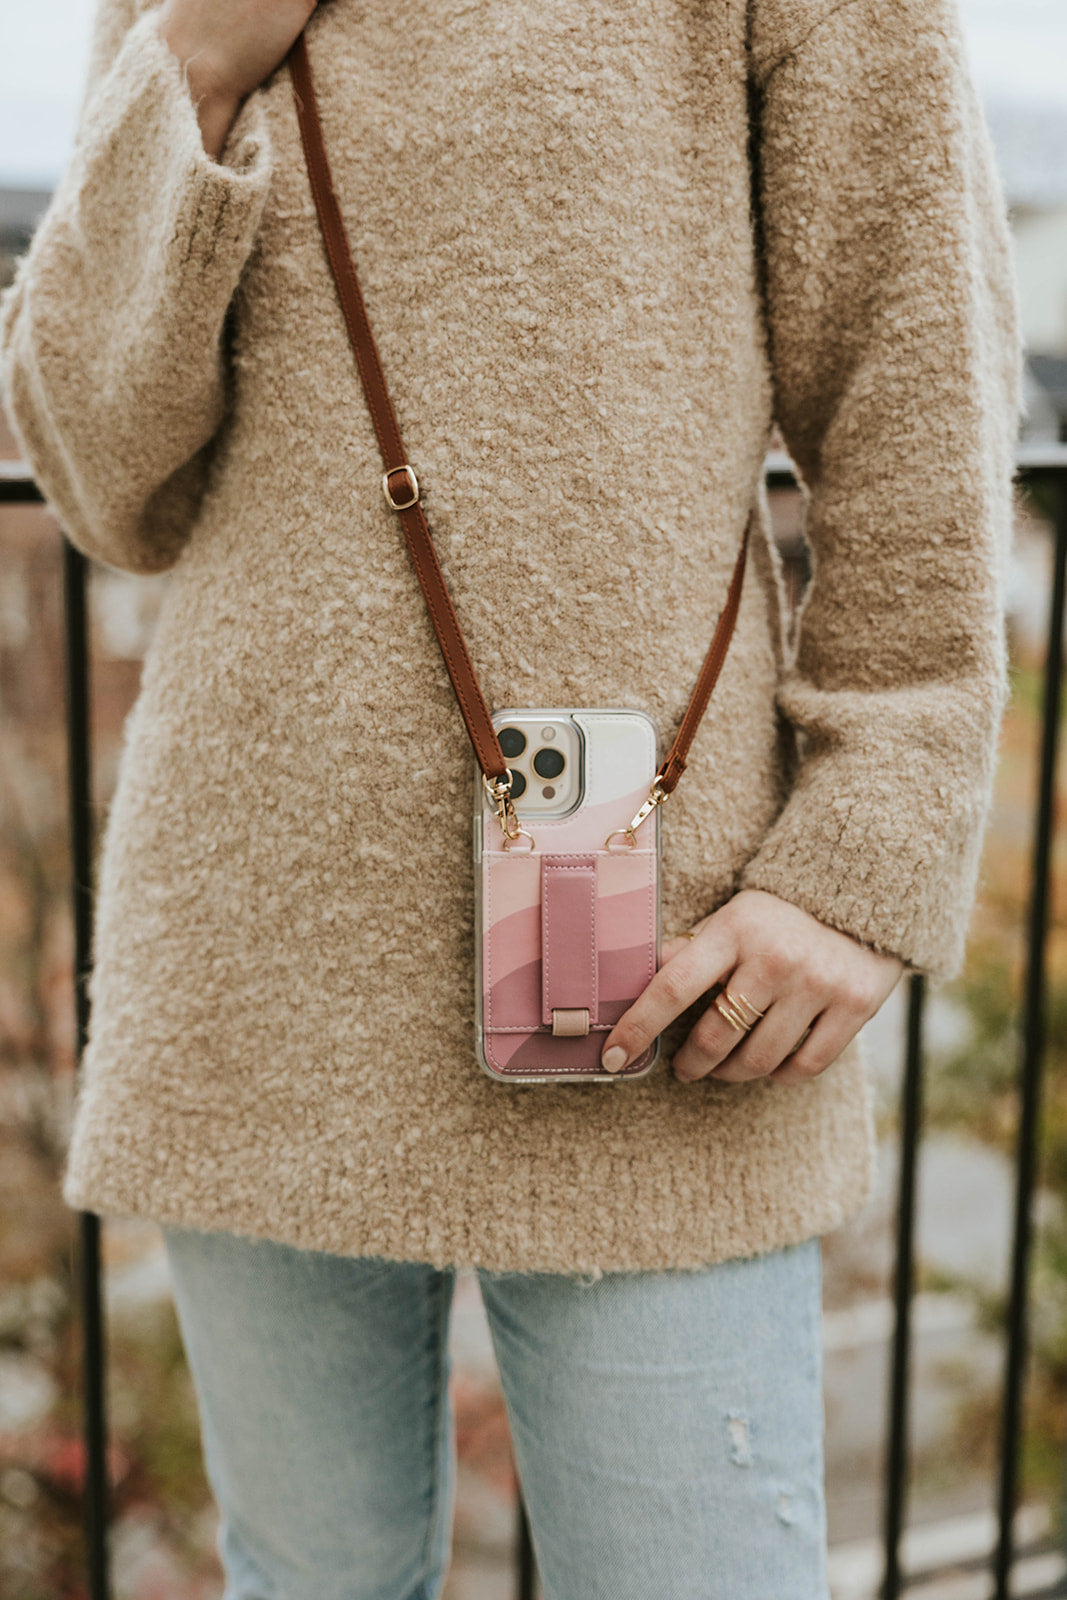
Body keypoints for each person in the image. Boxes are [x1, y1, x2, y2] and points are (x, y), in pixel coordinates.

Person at [0, 0, 1021, 1594]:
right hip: (256, 935)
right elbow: (104, 474)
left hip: (661, 950)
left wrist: (865, 849)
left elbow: (913, 378)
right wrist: (194, 61)